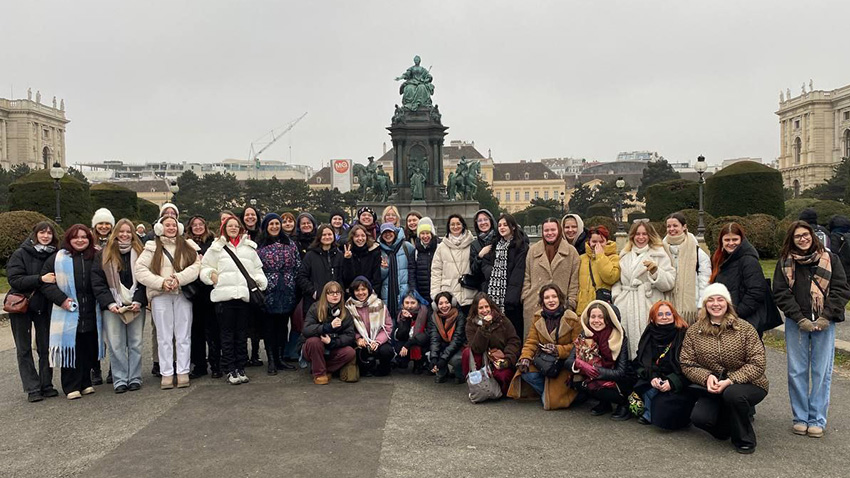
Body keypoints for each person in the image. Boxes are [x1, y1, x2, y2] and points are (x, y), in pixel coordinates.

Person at [773, 220, 850, 438]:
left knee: (821, 372)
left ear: (812, 236)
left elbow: (841, 289)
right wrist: (799, 318)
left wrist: (827, 316)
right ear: (792, 239)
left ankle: (817, 418)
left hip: (825, 322)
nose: (803, 239)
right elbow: (780, 292)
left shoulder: (830, 259)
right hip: (797, 323)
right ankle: (800, 417)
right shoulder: (785, 262)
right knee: (796, 371)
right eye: (798, 236)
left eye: (805, 235)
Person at [680, 283, 769, 454]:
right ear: (705, 305)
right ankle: (730, 423)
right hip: (713, 384)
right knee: (700, 419)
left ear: (727, 303)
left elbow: (758, 362)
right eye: (710, 300)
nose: (716, 304)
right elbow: (687, 362)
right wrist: (706, 377)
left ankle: (744, 438)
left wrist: (731, 380)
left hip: (749, 383)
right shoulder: (694, 331)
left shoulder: (744, 328)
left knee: (733, 395)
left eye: (720, 299)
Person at [200, 215, 268, 385]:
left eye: (236, 226)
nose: (233, 228)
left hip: (243, 297)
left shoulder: (248, 248)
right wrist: (211, 276)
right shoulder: (216, 248)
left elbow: (258, 269)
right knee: (227, 335)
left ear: (240, 228)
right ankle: (230, 368)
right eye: (229, 226)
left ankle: (240, 367)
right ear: (224, 228)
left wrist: (260, 281)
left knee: (241, 335)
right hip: (224, 297)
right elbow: (205, 268)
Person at [135, 216, 201, 390]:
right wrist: (161, 282)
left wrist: (179, 278)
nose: (170, 228)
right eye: (167, 225)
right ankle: (166, 372)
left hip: (181, 294)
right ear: (160, 228)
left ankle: (183, 370)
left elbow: (196, 266)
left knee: (183, 334)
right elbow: (140, 270)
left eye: (173, 225)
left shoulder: (188, 246)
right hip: (161, 294)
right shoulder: (151, 247)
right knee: (164, 335)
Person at [40, 225, 104, 400]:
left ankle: (85, 382)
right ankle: (71, 385)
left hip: (90, 308)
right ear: (69, 239)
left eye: (84, 237)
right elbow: (47, 283)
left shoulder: (96, 256)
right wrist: (62, 299)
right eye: (76, 237)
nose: (80, 240)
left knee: (87, 346)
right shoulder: (57, 258)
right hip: (67, 309)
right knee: (71, 346)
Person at [90, 218, 147, 394]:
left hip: (136, 303)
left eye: (128, 231)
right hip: (113, 305)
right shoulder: (104, 253)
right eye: (121, 231)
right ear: (116, 233)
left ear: (133, 234)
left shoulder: (141, 252)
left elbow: (145, 279)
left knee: (136, 342)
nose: (124, 234)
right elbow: (97, 282)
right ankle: (120, 378)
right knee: (116, 343)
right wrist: (109, 303)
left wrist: (139, 300)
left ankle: (135, 377)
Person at [7, 222, 60, 402]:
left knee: (46, 347)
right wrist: (40, 279)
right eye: (42, 233)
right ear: (35, 234)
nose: (46, 236)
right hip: (21, 306)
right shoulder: (20, 254)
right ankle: (32, 387)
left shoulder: (55, 254)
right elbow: (14, 279)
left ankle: (46, 384)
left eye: (49, 233)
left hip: (44, 306)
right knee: (24, 348)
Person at [509, 284, 582, 410]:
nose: (551, 300)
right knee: (524, 372)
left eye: (554, 296)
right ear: (542, 301)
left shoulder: (572, 318)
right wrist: (525, 358)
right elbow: (531, 341)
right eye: (547, 297)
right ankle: (546, 391)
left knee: (550, 403)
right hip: (543, 361)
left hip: (562, 365)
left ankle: (557, 393)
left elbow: (578, 346)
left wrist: (557, 350)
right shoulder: (538, 317)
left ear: (560, 298)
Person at [613, 221, 675, 360]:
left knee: (648, 342)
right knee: (626, 341)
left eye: (644, 234)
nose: (641, 237)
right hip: (626, 305)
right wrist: (617, 297)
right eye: (637, 234)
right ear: (632, 236)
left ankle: (648, 370)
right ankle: (630, 371)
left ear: (650, 236)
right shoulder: (624, 256)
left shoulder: (659, 255)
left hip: (648, 303)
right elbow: (617, 281)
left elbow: (670, 282)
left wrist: (655, 271)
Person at [565, 300, 632, 420]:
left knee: (598, 387)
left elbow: (621, 372)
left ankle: (623, 404)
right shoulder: (585, 335)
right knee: (578, 381)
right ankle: (604, 403)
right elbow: (569, 361)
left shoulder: (618, 337)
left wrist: (596, 371)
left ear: (607, 319)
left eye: (601, 317)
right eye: (593, 316)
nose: (596, 321)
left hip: (616, 380)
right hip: (593, 376)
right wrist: (580, 364)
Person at [632, 301, 695, 429]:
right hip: (656, 375)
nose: (664, 317)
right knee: (635, 381)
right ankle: (650, 407)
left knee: (663, 416)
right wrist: (653, 377)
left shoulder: (683, 334)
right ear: (654, 318)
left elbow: (690, 366)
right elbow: (642, 360)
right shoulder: (649, 333)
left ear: (674, 315)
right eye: (660, 314)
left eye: (668, 313)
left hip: (679, 377)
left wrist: (672, 382)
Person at [257, 213, 300, 375]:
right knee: (269, 327)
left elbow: (297, 264)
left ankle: (281, 358)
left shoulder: (290, 243)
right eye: (271, 224)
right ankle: (272, 360)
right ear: (266, 227)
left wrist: (292, 282)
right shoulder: (259, 246)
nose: (275, 227)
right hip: (268, 290)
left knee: (283, 326)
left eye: (277, 223)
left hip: (287, 289)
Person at [522, 218, 580, 336]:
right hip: (534, 305)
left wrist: (571, 303)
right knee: (532, 344)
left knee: (558, 345)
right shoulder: (533, 250)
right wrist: (525, 296)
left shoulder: (571, 252)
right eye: (546, 230)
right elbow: (526, 276)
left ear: (558, 230)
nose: (549, 233)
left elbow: (574, 282)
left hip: (561, 307)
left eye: (553, 229)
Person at [709, 223, 769, 332]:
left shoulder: (749, 260)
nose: (731, 243)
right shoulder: (718, 260)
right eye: (727, 240)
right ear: (721, 242)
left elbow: (756, 291)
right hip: (723, 319)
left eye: (735, 239)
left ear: (741, 240)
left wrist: (735, 314)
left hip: (745, 321)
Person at [463, 292, 521, 396]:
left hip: (500, 357)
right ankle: (475, 384)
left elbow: (514, 341)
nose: (484, 310)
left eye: (486, 306)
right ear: (476, 309)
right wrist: (484, 327)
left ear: (491, 306)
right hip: (483, 359)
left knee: (504, 376)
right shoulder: (470, 324)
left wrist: (507, 360)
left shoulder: (502, 320)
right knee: (466, 353)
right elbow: (476, 348)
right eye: (481, 308)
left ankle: (500, 391)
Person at [481, 214, 528, 335]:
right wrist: (491, 272)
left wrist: (511, 298)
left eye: (505, 225)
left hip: (511, 299)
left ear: (513, 227)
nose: (502, 228)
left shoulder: (521, 246)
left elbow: (519, 272)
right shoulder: (495, 244)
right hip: (494, 295)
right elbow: (485, 263)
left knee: (513, 330)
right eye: (500, 225)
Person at [301, 281, 357, 385]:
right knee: (314, 342)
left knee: (350, 352)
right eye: (331, 293)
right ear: (325, 295)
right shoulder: (315, 307)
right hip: (315, 348)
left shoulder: (345, 312)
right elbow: (306, 330)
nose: (335, 295)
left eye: (338, 293)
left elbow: (350, 336)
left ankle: (322, 368)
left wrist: (332, 342)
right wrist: (327, 327)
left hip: (332, 347)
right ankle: (319, 374)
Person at [185, 215, 220, 379]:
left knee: (213, 330)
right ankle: (199, 365)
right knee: (195, 331)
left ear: (205, 226)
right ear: (190, 228)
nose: (198, 227)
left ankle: (216, 364)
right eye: (194, 225)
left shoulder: (213, 242)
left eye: (200, 224)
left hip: (209, 291)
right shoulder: (185, 244)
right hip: (193, 292)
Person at [663, 212, 711, 324]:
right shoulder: (660, 249)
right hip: (666, 308)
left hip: (691, 309)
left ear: (684, 227)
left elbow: (705, 281)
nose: (671, 229)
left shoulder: (697, 251)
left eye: (675, 226)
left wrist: (701, 306)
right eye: (669, 226)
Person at [345, 277, 394, 376]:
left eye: (363, 289)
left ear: (368, 290)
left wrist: (377, 341)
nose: (360, 293)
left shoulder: (379, 304)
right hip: (361, 342)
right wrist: (358, 339)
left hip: (378, 340)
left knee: (386, 351)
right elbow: (347, 328)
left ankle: (383, 369)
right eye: (357, 290)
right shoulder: (348, 307)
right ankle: (366, 369)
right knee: (358, 351)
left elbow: (388, 326)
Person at [431, 214, 476, 314]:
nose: (455, 227)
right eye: (452, 224)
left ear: (463, 225)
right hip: (449, 297)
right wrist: (435, 295)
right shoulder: (441, 247)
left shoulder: (472, 244)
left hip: (469, 294)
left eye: (458, 224)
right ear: (448, 227)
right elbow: (436, 272)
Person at [90, 207, 115, 385]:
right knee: (93, 333)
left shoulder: (115, 243)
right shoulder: (88, 243)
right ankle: (95, 369)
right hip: (92, 293)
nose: (104, 226)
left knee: (115, 334)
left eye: (107, 223)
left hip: (113, 291)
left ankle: (115, 368)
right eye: (101, 223)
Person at [298, 224, 343, 315]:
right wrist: (314, 292)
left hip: (335, 302)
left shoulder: (339, 255)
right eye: (324, 235)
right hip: (314, 302)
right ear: (319, 237)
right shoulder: (310, 255)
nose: (327, 237)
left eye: (329, 234)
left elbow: (342, 277)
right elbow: (301, 276)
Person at [576, 225, 620, 314]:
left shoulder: (614, 258)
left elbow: (611, 277)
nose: (597, 244)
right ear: (589, 241)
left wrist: (600, 256)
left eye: (601, 241)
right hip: (583, 309)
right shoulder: (581, 259)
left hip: (602, 309)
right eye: (594, 241)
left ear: (607, 241)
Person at [378, 223, 416, 320]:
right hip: (387, 294)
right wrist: (384, 269)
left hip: (405, 292)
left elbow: (414, 267)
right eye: (384, 233)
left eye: (390, 232)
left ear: (395, 232)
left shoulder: (407, 247)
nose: (388, 235)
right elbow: (378, 277)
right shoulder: (379, 250)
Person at [429, 291, 466, 383]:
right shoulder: (434, 317)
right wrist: (434, 358)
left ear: (452, 303)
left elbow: (457, 340)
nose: (444, 306)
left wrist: (443, 359)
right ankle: (442, 373)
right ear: (436, 306)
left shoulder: (460, 316)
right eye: (440, 303)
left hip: (459, 347)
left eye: (447, 302)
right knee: (433, 354)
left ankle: (460, 375)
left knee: (456, 359)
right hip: (444, 346)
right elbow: (434, 339)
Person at [392, 291, 429, 373]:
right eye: (407, 303)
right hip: (405, 342)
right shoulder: (400, 314)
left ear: (418, 302)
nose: (409, 306)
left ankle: (420, 362)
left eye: (413, 303)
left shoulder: (425, 312)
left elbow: (426, 335)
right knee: (399, 346)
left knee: (422, 342)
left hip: (421, 342)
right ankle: (403, 360)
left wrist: (408, 345)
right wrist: (406, 320)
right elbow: (399, 336)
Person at [341, 224, 382, 292]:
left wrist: (372, 292)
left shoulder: (374, 252)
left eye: (363, 236)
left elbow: (377, 277)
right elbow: (347, 278)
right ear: (352, 238)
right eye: (357, 236)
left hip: (370, 292)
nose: (360, 239)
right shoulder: (347, 252)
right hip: (352, 292)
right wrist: (348, 260)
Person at [411, 220, 440, 304]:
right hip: (421, 293)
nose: (425, 236)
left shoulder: (439, 248)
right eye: (422, 233)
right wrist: (414, 290)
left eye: (427, 233)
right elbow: (411, 272)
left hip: (437, 293)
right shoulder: (415, 251)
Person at [468, 209, 497, 287]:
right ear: (476, 224)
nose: (483, 222)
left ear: (491, 221)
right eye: (480, 220)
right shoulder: (475, 245)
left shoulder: (500, 238)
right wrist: (479, 256)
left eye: (485, 219)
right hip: (484, 287)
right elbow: (474, 271)